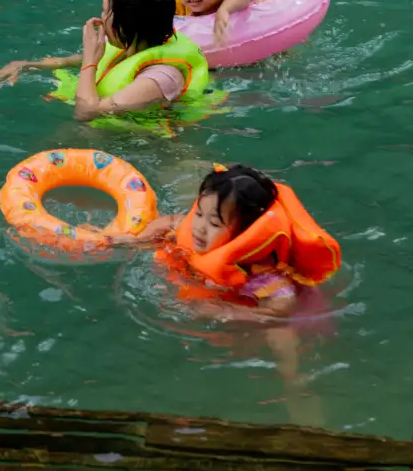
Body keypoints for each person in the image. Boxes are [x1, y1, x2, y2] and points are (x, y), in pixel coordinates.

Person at [115, 163, 341, 424]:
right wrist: (136, 240)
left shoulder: (260, 273)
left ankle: (293, 382)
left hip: (269, 312)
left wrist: (226, 311)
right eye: (199, 214)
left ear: (245, 233)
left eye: (214, 223)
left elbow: (282, 308)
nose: (199, 227)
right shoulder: (192, 230)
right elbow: (169, 223)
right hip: (211, 291)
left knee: (281, 334)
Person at [0, 0, 212, 129]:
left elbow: (85, 112)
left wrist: (89, 59)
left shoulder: (160, 78)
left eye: (106, 10)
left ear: (127, 23)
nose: (101, 16)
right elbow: (79, 61)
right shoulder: (136, 44)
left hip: (146, 149)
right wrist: (29, 65)